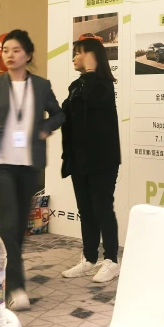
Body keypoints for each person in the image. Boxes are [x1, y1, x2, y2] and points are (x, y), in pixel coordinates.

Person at [0, 30, 63, 312]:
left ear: (28, 54)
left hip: (28, 164)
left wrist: (45, 128)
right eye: (6, 50)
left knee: (18, 227)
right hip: (0, 162)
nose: (9, 55)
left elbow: (59, 114)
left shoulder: (41, 86)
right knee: (9, 224)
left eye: (16, 50)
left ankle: (6, 273)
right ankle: (15, 287)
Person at [60, 37, 122, 282]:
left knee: (102, 207)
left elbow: (91, 100)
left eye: (78, 53)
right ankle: (89, 257)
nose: (74, 58)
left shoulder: (103, 86)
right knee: (85, 210)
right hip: (79, 159)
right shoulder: (76, 85)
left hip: (102, 159)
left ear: (90, 55)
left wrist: (90, 71)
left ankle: (111, 260)